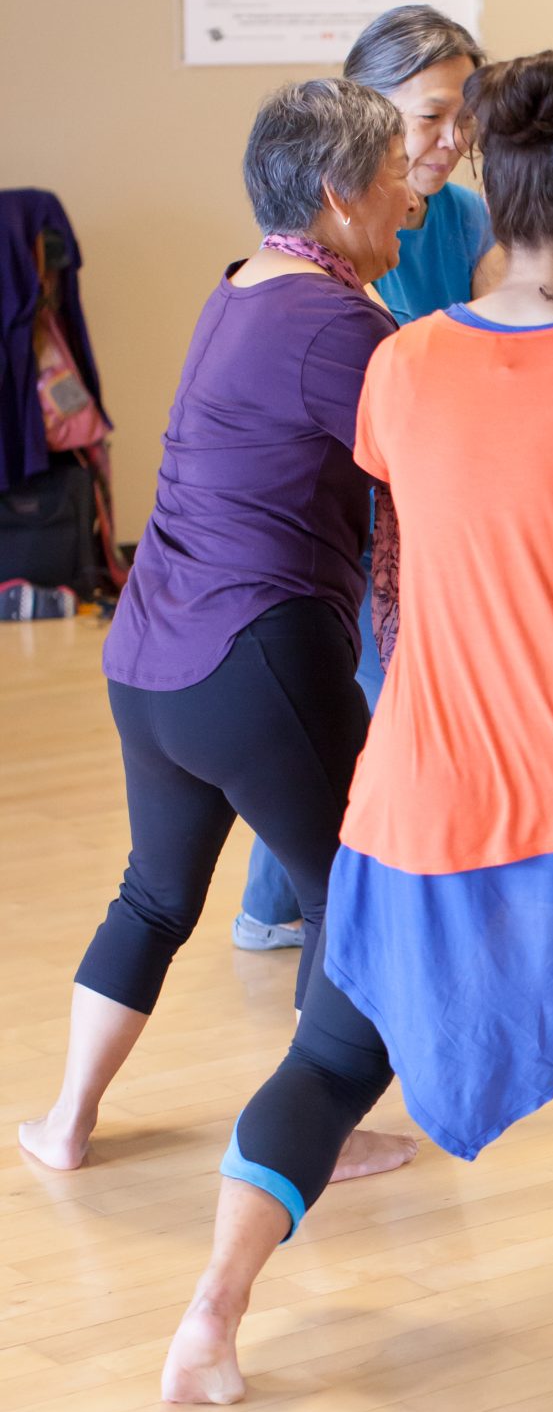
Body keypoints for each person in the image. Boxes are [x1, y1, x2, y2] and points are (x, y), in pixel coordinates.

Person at [161, 53, 553, 1405]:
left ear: (499, 197)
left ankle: (212, 1318)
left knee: (336, 1051)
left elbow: (484, 516)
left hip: (419, 792)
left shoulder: (401, 362)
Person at [19, 81, 417, 1181]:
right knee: (356, 885)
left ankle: (65, 1120)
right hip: (253, 658)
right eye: (396, 181)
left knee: (155, 892)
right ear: (340, 194)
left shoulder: (244, 284)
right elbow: (430, 467)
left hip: (150, 659)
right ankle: (314, 1131)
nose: (412, 208)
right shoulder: (339, 321)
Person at [233, 4, 502, 953]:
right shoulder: (326, 236)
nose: (451, 138)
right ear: (365, 115)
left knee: (355, 708)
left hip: (426, 494)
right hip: (353, 509)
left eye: (464, 114)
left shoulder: (466, 216)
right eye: (429, 115)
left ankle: (277, 906)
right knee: (387, 706)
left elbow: (508, 340)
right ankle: (392, 911)